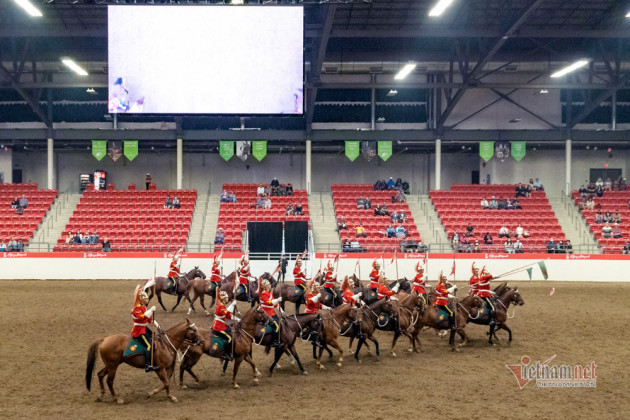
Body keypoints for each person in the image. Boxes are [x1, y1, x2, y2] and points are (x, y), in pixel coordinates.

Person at [130, 280, 159, 372]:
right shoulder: (137, 309)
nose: (147, 300)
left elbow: (148, 319)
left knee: (154, 337)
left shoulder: (144, 307)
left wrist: (154, 322)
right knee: (149, 346)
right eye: (146, 299)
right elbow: (142, 317)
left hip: (144, 328)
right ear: (142, 299)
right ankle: (148, 365)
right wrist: (150, 311)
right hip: (139, 330)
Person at [211, 290, 239, 360]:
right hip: (218, 327)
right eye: (226, 298)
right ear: (223, 298)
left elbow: (229, 316)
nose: (227, 299)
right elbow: (225, 312)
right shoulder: (220, 306)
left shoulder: (223, 305)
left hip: (221, 325)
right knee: (229, 338)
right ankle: (226, 354)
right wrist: (232, 305)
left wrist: (238, 319)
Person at [259, 279, 282, 346]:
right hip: (266, 314)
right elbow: (269, 303)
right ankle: (273, 341)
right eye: (268, 284)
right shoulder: (263, 294)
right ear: (265, 286)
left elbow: (275, 304)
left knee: (280, 323)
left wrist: (281, 310)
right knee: (276, 326)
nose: (270, 285)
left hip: (272, 313)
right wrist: (277, 300)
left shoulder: (270, 293)